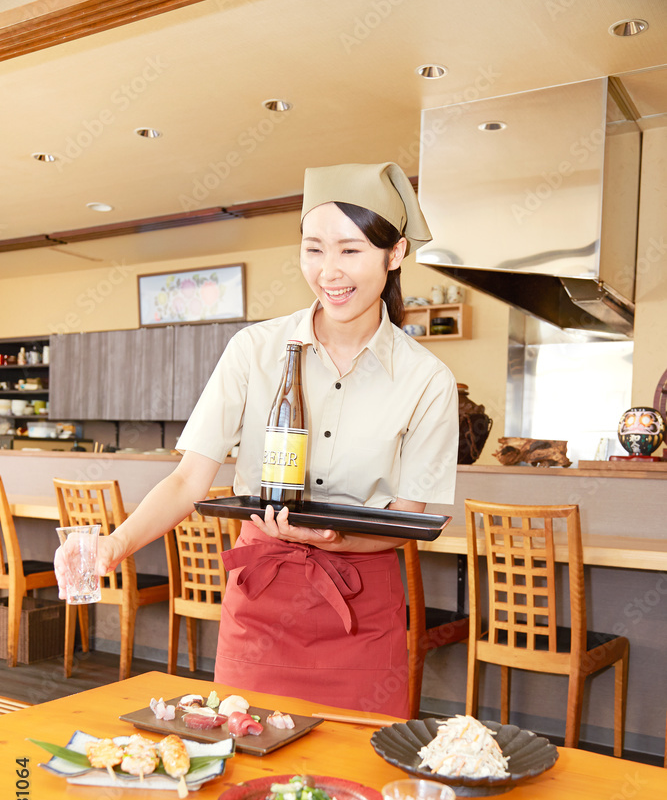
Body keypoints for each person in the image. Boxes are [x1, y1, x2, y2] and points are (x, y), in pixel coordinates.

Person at [54, 162, 458, 717]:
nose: (329, 271)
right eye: (313, 249)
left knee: (353, 775)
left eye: (351, 250)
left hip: (360, 609)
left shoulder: (426, 379)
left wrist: (333, 541)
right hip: (261, 598)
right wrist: (111, 545)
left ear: (395, 254)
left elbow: (406, 516)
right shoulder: (253, 350)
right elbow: (188, 480)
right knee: (244, 759)